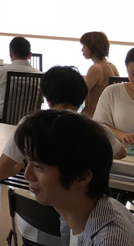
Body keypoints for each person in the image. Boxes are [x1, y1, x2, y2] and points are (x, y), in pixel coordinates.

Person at [14, 110, 134, 245]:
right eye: (27, 161)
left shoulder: (109, 240)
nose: (27, 175)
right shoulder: (75, 211)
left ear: (81, 177)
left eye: (38, 167)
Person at [0, 36, 40, 122]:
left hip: (1, 119)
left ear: (10, 54)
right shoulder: (40, 75)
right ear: (30, 55)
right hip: (28, 122)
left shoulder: (2, 71)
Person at [93, 47, 134, 143]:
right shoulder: (112, 92)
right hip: (120, 149)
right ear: (126, 70)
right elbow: (100, 125)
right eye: (133, 73)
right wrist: (122, 135)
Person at [79, 31, 118, 118]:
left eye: (84, 46)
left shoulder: (96, 68)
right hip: (107, 116)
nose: (82, 50)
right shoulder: (112, 66)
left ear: (92, 47)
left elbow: (80, 95)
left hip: (92, 116)